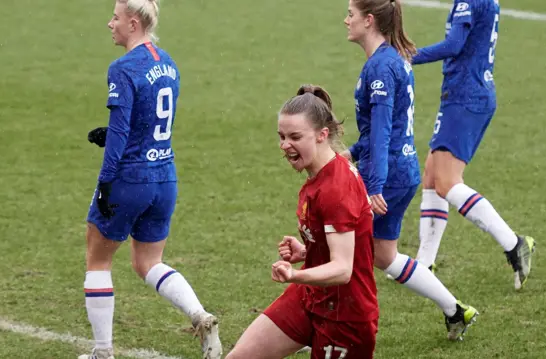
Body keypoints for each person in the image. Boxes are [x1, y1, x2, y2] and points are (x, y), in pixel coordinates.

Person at [80, 1, 222, 358]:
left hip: (130, 178)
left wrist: (107, 181)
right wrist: (110, 132)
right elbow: (149, 123)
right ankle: (199, 315)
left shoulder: (123, 68)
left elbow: (124, 125)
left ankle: (102, 352)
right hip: (164, 178)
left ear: (132, 23)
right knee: (148, 262)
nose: (109, 23)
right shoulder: (169, 64)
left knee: (98, 261)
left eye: (114, 17)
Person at [339, 0, 478, 340]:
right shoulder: (389, 60)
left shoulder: (381, 68)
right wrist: (351, 153)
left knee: (337, 252)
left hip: (386, 177)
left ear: (369, 21)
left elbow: (385, 129)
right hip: (402, 170)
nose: (346, 20)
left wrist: (373, 185)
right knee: (384, 255)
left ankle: (318, 329)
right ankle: (455, 310)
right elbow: (382, 129)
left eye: (351, 14)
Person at [226, 85, 379, 359]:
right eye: (282, 137)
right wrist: (308, 252)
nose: (285, 145)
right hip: (312, 297)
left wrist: (295, 275)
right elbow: (346, 245)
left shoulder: (336, 188)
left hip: (345, 316)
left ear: (322, 135)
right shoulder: (321, 174)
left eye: (295, 136)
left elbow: (343, 269)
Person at [409, 0, 536, 290]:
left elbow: (454, 45)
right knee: (432, 175)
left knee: (446, 182)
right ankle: (424, 263)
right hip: (467, 93)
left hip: (465, 97)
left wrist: (407, 56)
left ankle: (514, 243)